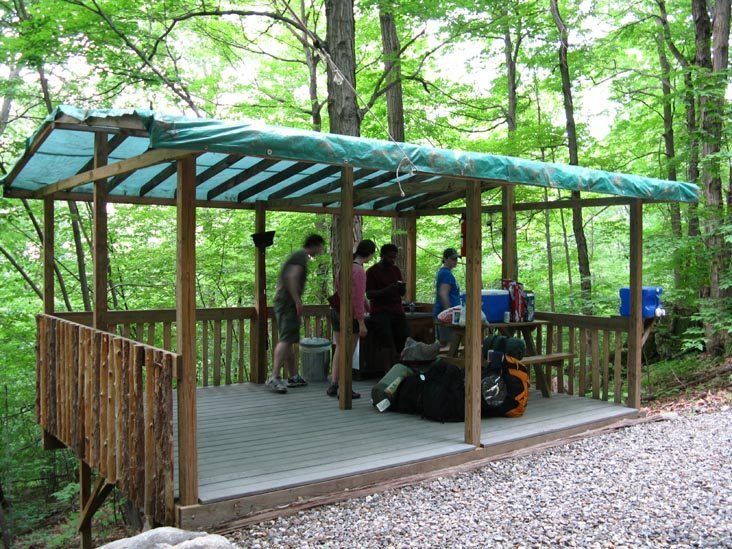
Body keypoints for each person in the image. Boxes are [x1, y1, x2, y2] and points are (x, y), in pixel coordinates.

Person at [266, 234, 326, 394]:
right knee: (286, 339)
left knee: (290, 338)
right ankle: (274, 377)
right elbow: (291, 276)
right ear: (315, 245)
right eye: (320, 247)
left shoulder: (299, 256)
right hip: (287, 303)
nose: (321, 251)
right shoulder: (300, 255)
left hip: (285, 302)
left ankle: (293, 376)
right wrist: (297, 300)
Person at [327, 239, 376, 399]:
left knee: (340, 348)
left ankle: (334, 384)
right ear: (369, 255)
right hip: (349, 314)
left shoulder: (346, 267)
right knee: (348, 351)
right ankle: (344, 388)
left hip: (335, 310)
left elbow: (348, 292)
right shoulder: (360, 271)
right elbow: (357, 297)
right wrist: (361, 322)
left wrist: (368, 307)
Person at [366, 243, 408, 354]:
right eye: (390, 257)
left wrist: (402, 289)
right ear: (382, 255)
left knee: (403, 342)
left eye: (394, 257)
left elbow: (402, 293)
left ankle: (402, 368)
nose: (392, 260)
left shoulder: (395, 270)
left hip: (397, 311)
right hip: (380, 313)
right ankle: (387, 370)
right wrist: (388, 289)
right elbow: (369, 294)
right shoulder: (372, 272)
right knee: (386, 344)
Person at [432, 247, 461, 346]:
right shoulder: (445, 274)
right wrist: (448, 315)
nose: (455, 261)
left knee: (448, 344)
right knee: (448, 344)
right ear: (445, 259)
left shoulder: (446, 273)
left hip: (446, 315)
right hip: (446, 316)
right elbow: (443, 294)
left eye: (456, 259)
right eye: (453, 258)